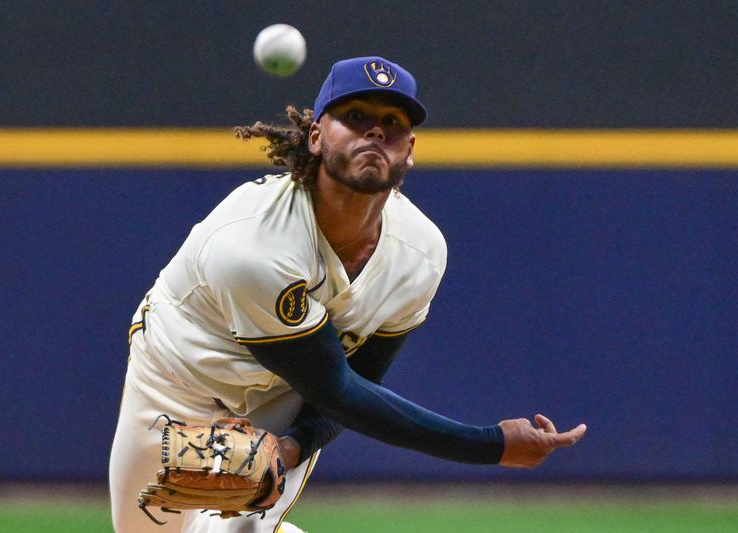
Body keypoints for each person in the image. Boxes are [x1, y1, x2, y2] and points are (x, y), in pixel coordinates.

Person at [109, 56, 587, 533]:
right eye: (355, 116)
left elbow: (360, 381)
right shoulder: (253, 245)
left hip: (281, 395)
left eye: (392, 123)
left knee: (248, 530)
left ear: (410, 149)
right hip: (176, 378)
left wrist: (294, 444)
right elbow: (340, 391)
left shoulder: (419, 253)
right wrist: (490, 444)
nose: (375, 132)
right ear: (316, 135)